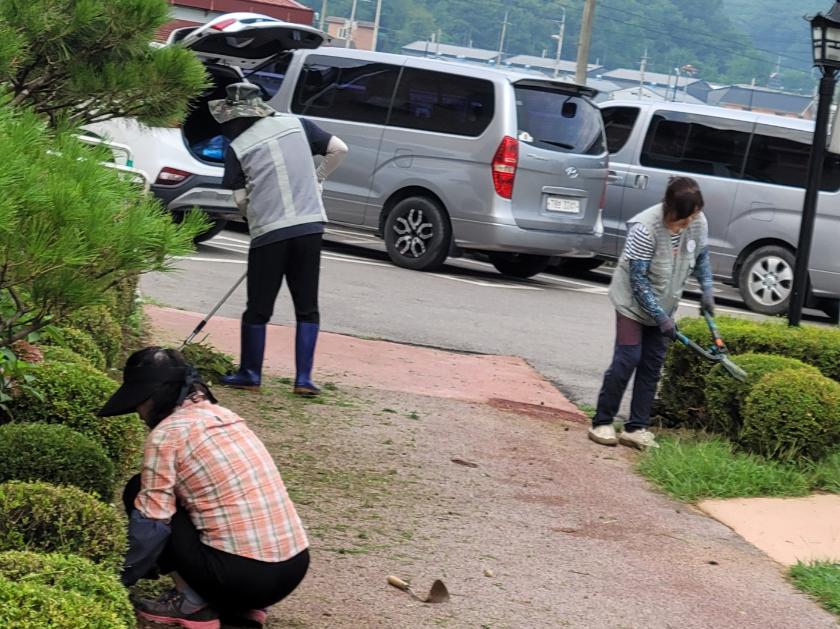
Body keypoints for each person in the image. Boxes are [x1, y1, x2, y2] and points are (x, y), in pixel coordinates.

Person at [99, 347, 309, 629]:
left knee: (139, 489)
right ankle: (242, 606)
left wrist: (117, 577)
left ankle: (191, 602)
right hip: (292, 569)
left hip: (242, 577)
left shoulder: (167, 435)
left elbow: (152, 522)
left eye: (139, 402)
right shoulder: (224, 416)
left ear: (154, 396)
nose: (137, 411)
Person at [210, 82, 349, 395]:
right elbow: (340, 149)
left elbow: (241, 199)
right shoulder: (297, 124)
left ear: (234, 116)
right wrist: (318, 177)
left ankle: (250, 373)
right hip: (310, 227)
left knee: (258, 307)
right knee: (307, 305)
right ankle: (304, 380)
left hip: (270, 232)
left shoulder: (238, 147)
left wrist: (255, 216)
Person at [589, 176, 714, 450]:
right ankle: (602, 421)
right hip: (632, 305)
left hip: (665, 306)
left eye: (693, 217)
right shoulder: (645, 229)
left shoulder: (697, 222)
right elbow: (638, 282)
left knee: (652, 365)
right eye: (684, 220)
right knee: (627, 359)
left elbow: (702, 256)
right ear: (670, 210)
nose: (689, 224)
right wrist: (661, 318)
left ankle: (636, 428)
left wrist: (707, 288)